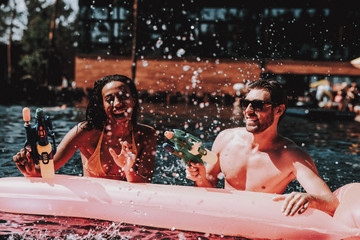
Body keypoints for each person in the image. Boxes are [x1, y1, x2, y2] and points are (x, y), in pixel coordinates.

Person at [186, 79, 339, 216]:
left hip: (260, 226)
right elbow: (210, 183)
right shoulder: (225, 139)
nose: (248, 111)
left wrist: (309, 198)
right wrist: (200, 177)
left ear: (278, 110)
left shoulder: (293, 157)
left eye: (258, 105)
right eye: (245, 104)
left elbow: (331, 202)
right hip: (224, 221)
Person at [13, 74, 157, 183]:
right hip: (92, 208)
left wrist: (129, 170)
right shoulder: (85, 132)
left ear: (133, 99)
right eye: (109, 99)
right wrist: (29, 169)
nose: (117, 104)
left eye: (123, 96)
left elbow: (146, 184)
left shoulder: (146, 135)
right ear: (101, 105)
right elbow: (46, 170)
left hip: (126, 209)